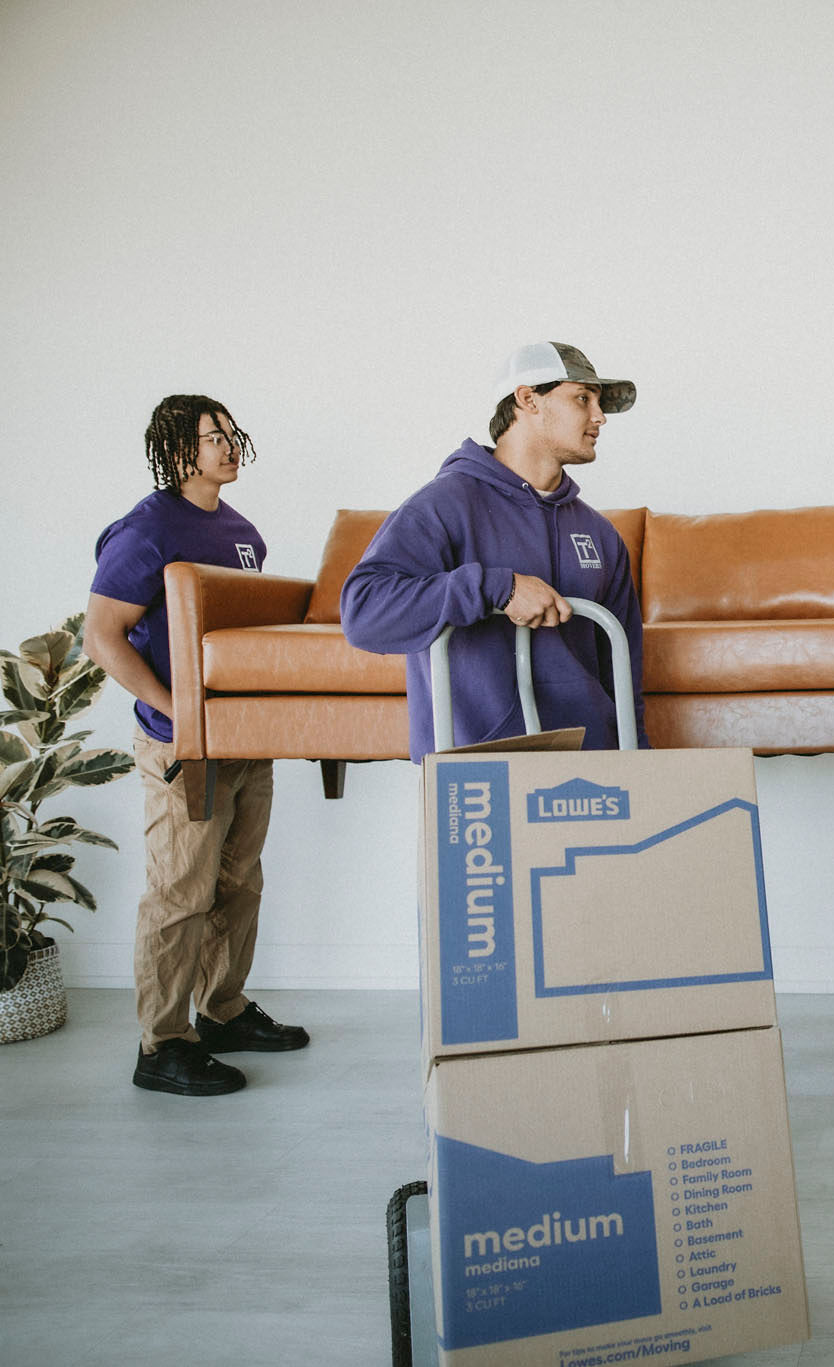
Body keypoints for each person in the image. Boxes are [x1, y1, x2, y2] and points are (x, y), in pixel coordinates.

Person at [85, 395, 311, 1097]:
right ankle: (163, 1042)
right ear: (177, 451)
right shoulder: (148, 530)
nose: (227, 445)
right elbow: (103, 635)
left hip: (243, 741)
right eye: (212, 437)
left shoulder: (243, 533)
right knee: (179, 893)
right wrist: (176, 714)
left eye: (231, 433)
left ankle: (223, 1011)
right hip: (180, 745)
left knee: (239, 884)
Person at [341, 342, 647, 756]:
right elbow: (363, 612)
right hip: (478, 772)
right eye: (582, 398)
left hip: (588, 766)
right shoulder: (445, 504)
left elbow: (624, 672)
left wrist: (637, 760)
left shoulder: (599, 533)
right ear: (528, 399)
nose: (600, 417)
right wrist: (497, 588)